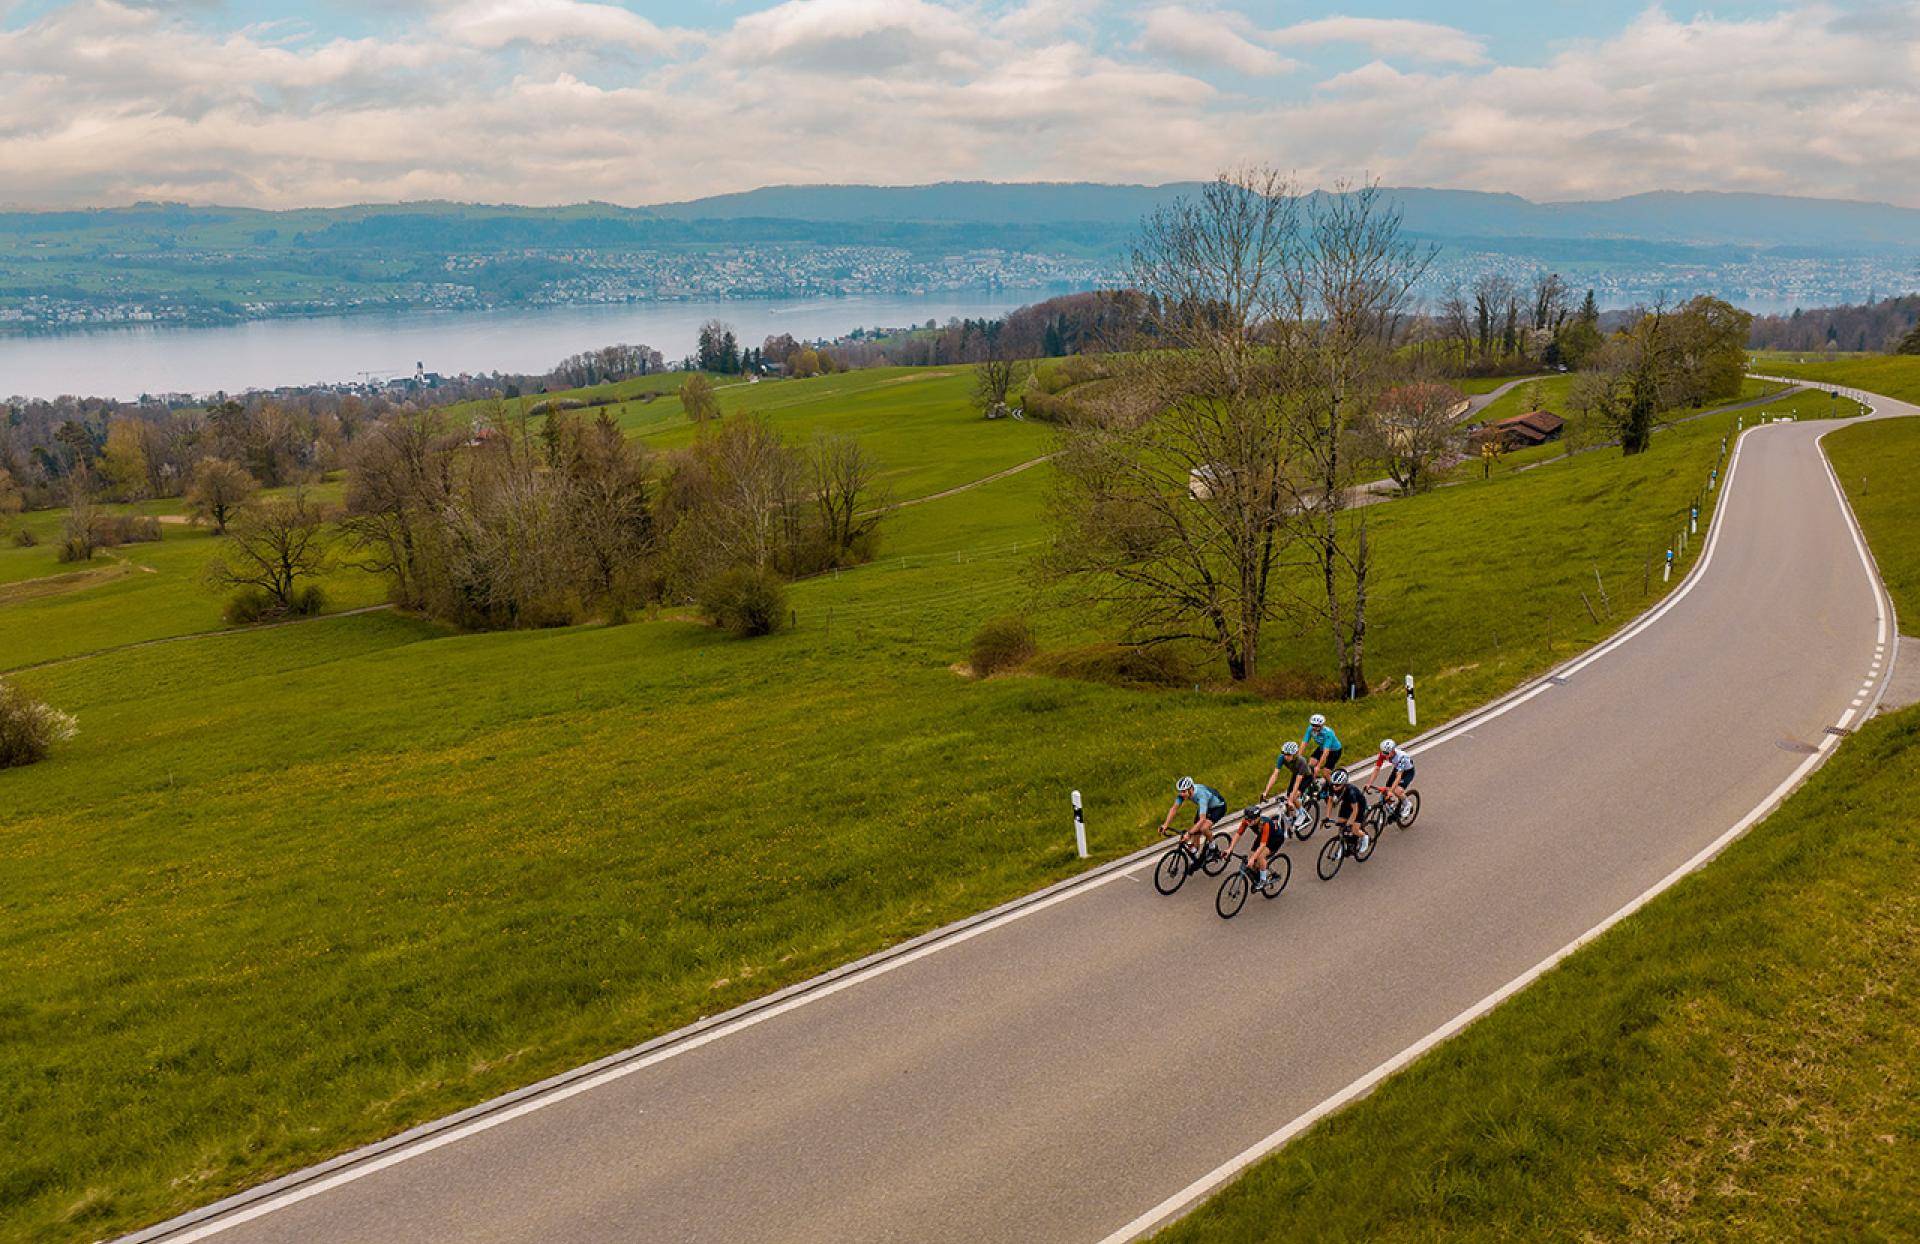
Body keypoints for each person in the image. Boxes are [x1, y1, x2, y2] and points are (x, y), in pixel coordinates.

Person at [1160, 775, 1228, 857]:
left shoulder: (1201, 795)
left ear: (1191, 789)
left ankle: (1213, 847)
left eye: (1184, 791)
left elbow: (1202, 819)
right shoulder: (1184, 794)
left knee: (1203, 828)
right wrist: (1165, 824)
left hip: (1218, 807)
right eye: (1180, 791)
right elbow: (1173, 809)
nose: (1181, 794)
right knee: (1196, 831)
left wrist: (1189, 833)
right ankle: (1196, 853)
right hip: (1206, 806)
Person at [1222, 804, 1284, 888]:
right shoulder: (1247, 821)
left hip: (1275, 839)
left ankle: (1263, 880)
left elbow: (1262, 845)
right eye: (1247, 819)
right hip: (1262, 837)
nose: (1248, 822)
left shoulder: (1265, 824)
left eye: (1250, 821)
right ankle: (1264, 870)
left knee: (1260, 856)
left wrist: (1253, 858)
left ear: (1257, 818)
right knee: (1252, 857)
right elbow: (1238, 834)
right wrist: (1230, 849)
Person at [1263, 739, 1318, 818]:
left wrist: (1291, 799)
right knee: (1288, 796)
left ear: (1295, 754)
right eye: (1284, 754)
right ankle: (1294, 813)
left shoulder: (1301, 761)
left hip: (1306, 777)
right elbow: (1275, 775)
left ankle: (1303, 815)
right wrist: (1266, 792)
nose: (1286, 757)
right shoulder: (1281, 758)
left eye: (1288, 755)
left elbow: (1297, 782)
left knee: (1293, 796)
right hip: (1296, 774)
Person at [1326, 768, 1371, 858]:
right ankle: (1343, 845)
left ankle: (1364, 837)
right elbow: (1330, 801)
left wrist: (1349, 824)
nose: (1335, 787)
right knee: (1341, 823)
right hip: (1346, 803)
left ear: (1344, 784)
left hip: (1358, 805)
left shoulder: (1351, 792)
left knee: (1354, 829)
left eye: (1338, 785)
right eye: (1333, 784)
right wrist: (1327, 817)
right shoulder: (1332, 786)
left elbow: (1355, 810)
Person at [1373, 738, 1416, 818]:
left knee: (1397, 791)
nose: (1383, 754)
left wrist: (1391, 791)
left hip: (1407, 772)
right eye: (1382, 752)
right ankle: (1392, 805)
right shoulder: (1384, 754)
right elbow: (1377, 768)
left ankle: (1407, 805)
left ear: (1393, 751)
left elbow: (1398, 776)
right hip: (1398, 768)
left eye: (1386, 753)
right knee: (1386, 789)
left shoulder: (1401, 757)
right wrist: (1369, 783)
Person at [1302, 712, 1343, 781]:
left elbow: (1326, 751)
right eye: (1313, 725)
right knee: (1310, 766)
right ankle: (1312, 784)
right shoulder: (1310, 729)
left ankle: (1334, 788)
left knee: (1326, 774)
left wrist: (1318, 766)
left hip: (1334, 751)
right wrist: (1298, 757)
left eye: (1317, 726)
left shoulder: (1328, 732)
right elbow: (1304, 743)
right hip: (1321, 748)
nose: (1314, 727)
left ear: (1322, 725)